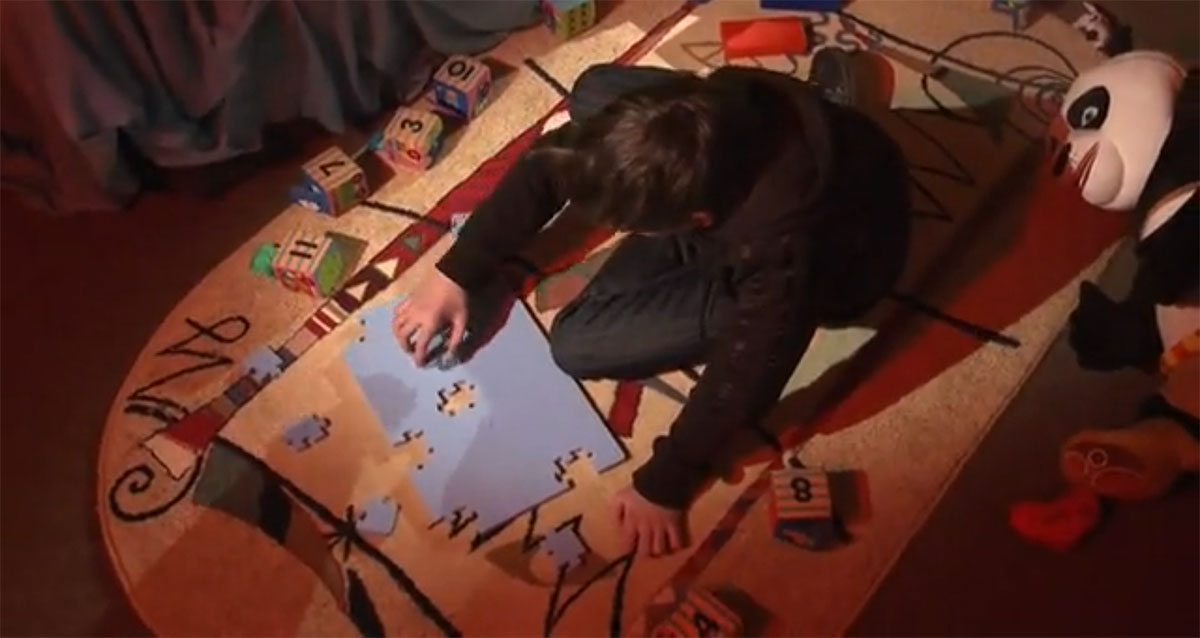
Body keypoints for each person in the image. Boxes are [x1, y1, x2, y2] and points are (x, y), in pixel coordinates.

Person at [392, 63, 911, 557]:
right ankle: (824, 114)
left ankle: (725, 263)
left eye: (633, 227)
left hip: (838, 259)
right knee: (593, 90)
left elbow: (750, 368)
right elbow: (553, 163)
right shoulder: (708, 104)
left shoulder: (777, 246)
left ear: (693, 220)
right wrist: (456, 273)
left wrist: (666, 483)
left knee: (578, 343)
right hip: (791, 152)